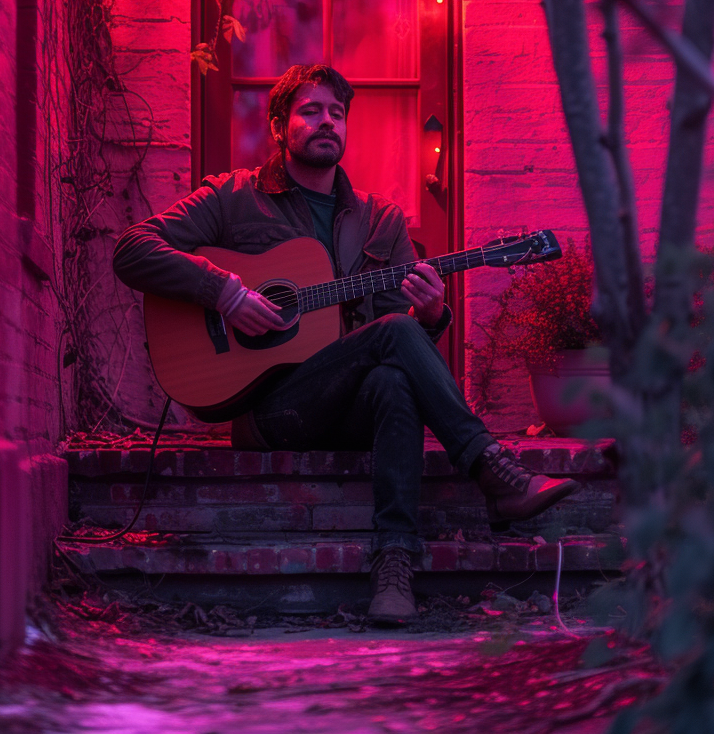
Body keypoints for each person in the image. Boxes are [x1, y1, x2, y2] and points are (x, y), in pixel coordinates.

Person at [113, 64, 579, 624]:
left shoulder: (381, 220)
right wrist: (225, 295)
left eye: (337, 113)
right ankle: (490, 469)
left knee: (393, 375)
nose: (327, 122)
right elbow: (133, 249)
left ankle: (394, 563)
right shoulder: (234, 196)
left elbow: (394, 330)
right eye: (312, 111)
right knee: (395, 347)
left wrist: (429, 314)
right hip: (274, 407)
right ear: (281, 126)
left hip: (354, 403)